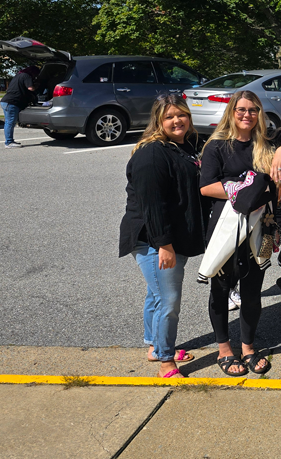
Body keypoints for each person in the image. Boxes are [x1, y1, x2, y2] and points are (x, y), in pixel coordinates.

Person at [200, 90, 281, 376]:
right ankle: (224, 349)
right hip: (227, 226)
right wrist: (241, 190)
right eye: (241, 109)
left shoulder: (268, 140)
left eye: (252, 110)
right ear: (232, 111)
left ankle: (248, 347)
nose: (247, 115)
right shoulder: (217, 146)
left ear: (259, 113)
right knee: (221, 287)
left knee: (252, 290)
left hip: (261, 227)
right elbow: (205, 187)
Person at [119, 94, 206, 379]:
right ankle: (166, 363)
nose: (176, 121)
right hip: (153, 238)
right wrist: (164, 245)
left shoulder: (187, 145)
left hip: (170, 235)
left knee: (156, 296)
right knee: (168, 301)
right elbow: (152, 205)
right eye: (169, 117)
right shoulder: (152, 153)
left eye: (181, 115)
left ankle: (155, 347)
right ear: (158, 120)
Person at [0, 65, 38, 148]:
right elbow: (30, 88)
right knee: (10, 122)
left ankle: (9, 141)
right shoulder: (27, 76)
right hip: (12, 102)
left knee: (8, 122)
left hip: (6, 101)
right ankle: (9, 142)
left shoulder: (18, 76)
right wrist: (36, 88)